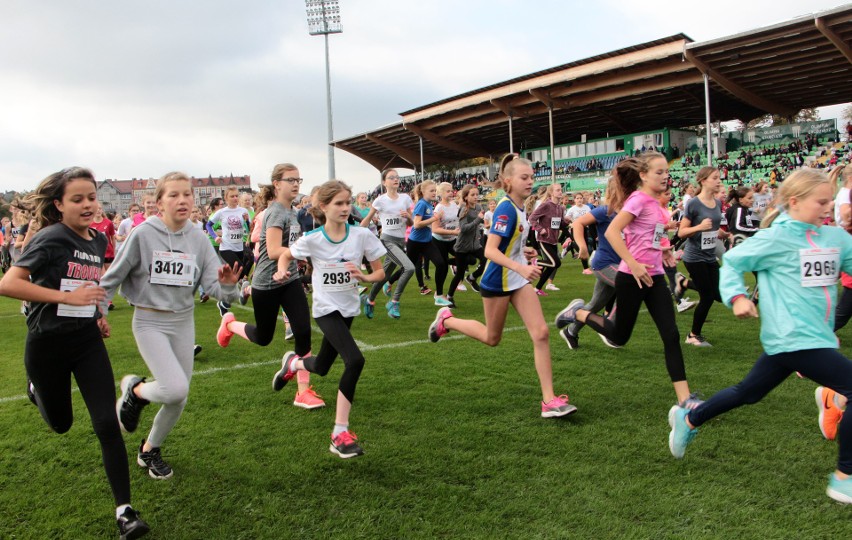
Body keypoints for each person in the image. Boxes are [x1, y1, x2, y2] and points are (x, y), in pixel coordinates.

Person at [667, 168, 852, 504]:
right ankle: (844, 476)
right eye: (821, 202)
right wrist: (737, 297)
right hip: (791, 336)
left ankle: (690, 417)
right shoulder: (776, 239)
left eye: (830, 201)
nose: (828, 208)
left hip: (816, 338)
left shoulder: (836, 239)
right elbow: (734, 263)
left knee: (748, 392)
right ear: (794, 202)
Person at [0, 167, 150, 539]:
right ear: (59, 204)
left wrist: (95, 315)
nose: (87, 205)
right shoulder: (50, 238)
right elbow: (9, 283)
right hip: (47, 345)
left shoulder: (98, 241)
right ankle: (37, 391)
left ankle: (125, 511)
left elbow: (87, 285)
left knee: (106, 424)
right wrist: (67, 299)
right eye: (77, 199)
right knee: (62, 424)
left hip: (85, 342)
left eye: (91, 197)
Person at [103, 172, 240, 480]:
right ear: (160, 202)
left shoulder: (199, 239)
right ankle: (136, 392)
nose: (182, 200)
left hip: (183, 320)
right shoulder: (143, 234)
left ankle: (149, 449)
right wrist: (99, 312)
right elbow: (112, 276)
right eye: (174, 195)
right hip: (149, 321)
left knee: (179, 396)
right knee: (173, 387)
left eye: (187, 194)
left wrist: (229, 286)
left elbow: (214, 287)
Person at [427, 154, 577, 419]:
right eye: (524, 177)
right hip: (498, 282)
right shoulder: (506, 208)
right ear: (508, 181)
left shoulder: (521, 207)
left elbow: (511, 245)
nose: (530, 181)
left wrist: (525, 252)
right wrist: (520, 266)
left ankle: (549, 400)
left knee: (541, 333)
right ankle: (446, 320)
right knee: (491, 338)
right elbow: (490, 251)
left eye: (531, 177)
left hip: (517, 281)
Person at [555, 153, 699, 408]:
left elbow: (649, 235)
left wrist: (664, 249)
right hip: (631, 277)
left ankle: (685, 399)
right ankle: (578, 313)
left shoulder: (656, 204)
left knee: (671, 335)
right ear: (643, 175)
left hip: (653, 277)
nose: (666, 176)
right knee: (619, 337)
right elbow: (612, 231)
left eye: (667, 171)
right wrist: (632, 263)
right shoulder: (638, 199)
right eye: (659, 172)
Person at [272, 180, 386, 458]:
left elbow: (380, 273)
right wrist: (281, 270)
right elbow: (286, 254)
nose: (346, 208)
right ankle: (340, 433)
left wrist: (365, 277)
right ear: (323, 207)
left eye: (348, 202)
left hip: (348, 309)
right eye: (339, 203)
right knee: (355, 360)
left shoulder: (361, 236)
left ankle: (294, 363)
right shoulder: (313, 239)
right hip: (325, 310)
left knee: (322, 366)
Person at [215, 164, 324, 409]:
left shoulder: (293, 211)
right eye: (290, 180)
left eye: (298, 179)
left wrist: (302, 255)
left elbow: (289, 248)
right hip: (266, 283)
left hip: (290, 279)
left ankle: (303, 392)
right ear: (277, 184)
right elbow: (274, 251)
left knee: (304, 332)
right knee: (263, 337)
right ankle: (229, 324)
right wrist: (306, 251)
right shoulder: (275, 213)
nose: (296, 184)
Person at [558, 176, 623, 349]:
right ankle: (611, 328)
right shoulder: (605, 211)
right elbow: (578, 223)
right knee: (628, 286)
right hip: (603, 264)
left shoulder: (629, 213)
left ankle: (570, 331)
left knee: (595, 305)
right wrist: (582, 247)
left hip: (619, 264)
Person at [675, 167, 730, 346]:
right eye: (715, 178)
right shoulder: (693, 204)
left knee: (718, 295)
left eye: (719, 178)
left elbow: (713, 227)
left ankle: (683, 283)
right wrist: (699, 227)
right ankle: (693, 335)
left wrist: (723, 234)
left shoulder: (718, 203)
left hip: (709, 255)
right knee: (707, 296)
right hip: (694, 257)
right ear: (703, 180)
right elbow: (682, 232)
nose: (719, 181)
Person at [358, 169, 415, 319]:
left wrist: (408, 216)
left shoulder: (405, 198)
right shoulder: (380, 200)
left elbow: (411, 223)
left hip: (400, 241)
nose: (396, 179)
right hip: (387, 240)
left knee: (383, 276)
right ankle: (394, 301)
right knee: (409, 268)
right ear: (384, 182)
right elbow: (367, 219)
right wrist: (355, 235)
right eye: (391, 177)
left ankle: (369, 300)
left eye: (397, 177)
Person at [206, 187, 250, 316]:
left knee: (234, 277)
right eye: (232, 196)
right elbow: (208, 225)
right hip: (226, 247)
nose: (235, 198)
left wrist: (247, 220)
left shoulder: (243, 211)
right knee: (241, 270)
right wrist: (215, 237)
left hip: (239, 247)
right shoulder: (222, 212)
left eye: (237, 196)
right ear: (226, 198)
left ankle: (224, 303)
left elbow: (249, 228)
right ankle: (243, 292)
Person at [407, 180, 451, 306]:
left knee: (441, 264)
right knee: (407, 269)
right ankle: (389, 282)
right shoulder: (421, 204)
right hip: (415, 242)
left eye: (435, 191)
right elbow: (416, 224)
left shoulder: (429, 204)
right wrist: (435, 218)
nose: (434, 193)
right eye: (431, 191)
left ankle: (438, 295)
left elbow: (428, 224)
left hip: (427, 242)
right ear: (423, 192)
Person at [447, 184, 485, 302]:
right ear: (466, 197)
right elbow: (463, 228)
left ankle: (472, 278)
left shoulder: (478, 207)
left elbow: (478, 224)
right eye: (472, 195)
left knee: (486, 261)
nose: (475, 197)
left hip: (475, 245)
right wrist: (478, 219)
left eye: (477, 194)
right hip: (462, 246)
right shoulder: (464, 210)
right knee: (460, 274)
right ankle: (449, 296)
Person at [529, 183, 568, 295]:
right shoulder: (546, 205)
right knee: (556, 263)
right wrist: (540, 229)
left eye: (561, 190)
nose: (560, 192)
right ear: (551, 193)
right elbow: (532, 218)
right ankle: (535, 262)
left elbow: (559, 224)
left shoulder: (560, 208)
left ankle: (537, 289)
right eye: (558, 190)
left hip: (554, 240)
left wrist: (567, 222)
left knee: (552, 266)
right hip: (544, 239)